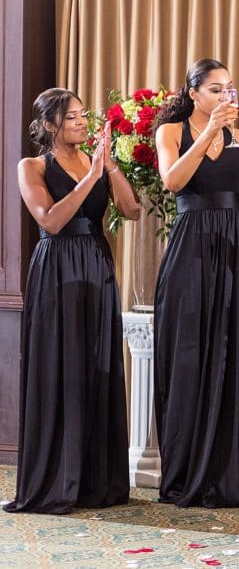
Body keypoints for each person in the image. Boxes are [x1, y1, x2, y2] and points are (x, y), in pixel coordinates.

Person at [5, 88, 140, 514]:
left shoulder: (97, 162)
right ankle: (56, 479)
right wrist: (89, 177)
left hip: (97, 266)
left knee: (97, 366)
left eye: (84, 115)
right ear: (49, 126)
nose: (83, 122)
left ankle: (96, 480)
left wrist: (111, 168)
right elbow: (51, 219)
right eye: (73, 117)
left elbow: (132, 210)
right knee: (60, 367)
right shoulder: (32, 166)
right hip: (57, 270)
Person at [153, 58, 239, 508]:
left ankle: (232, 476)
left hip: (235, 252)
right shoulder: (172, 133)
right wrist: (207, 133)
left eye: (229, 89)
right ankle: (187, 473)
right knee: (189, 355)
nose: (225, 97)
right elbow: (172, 181)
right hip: (190, 250)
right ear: (194, 94)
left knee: (234, 353)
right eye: (216, 90)